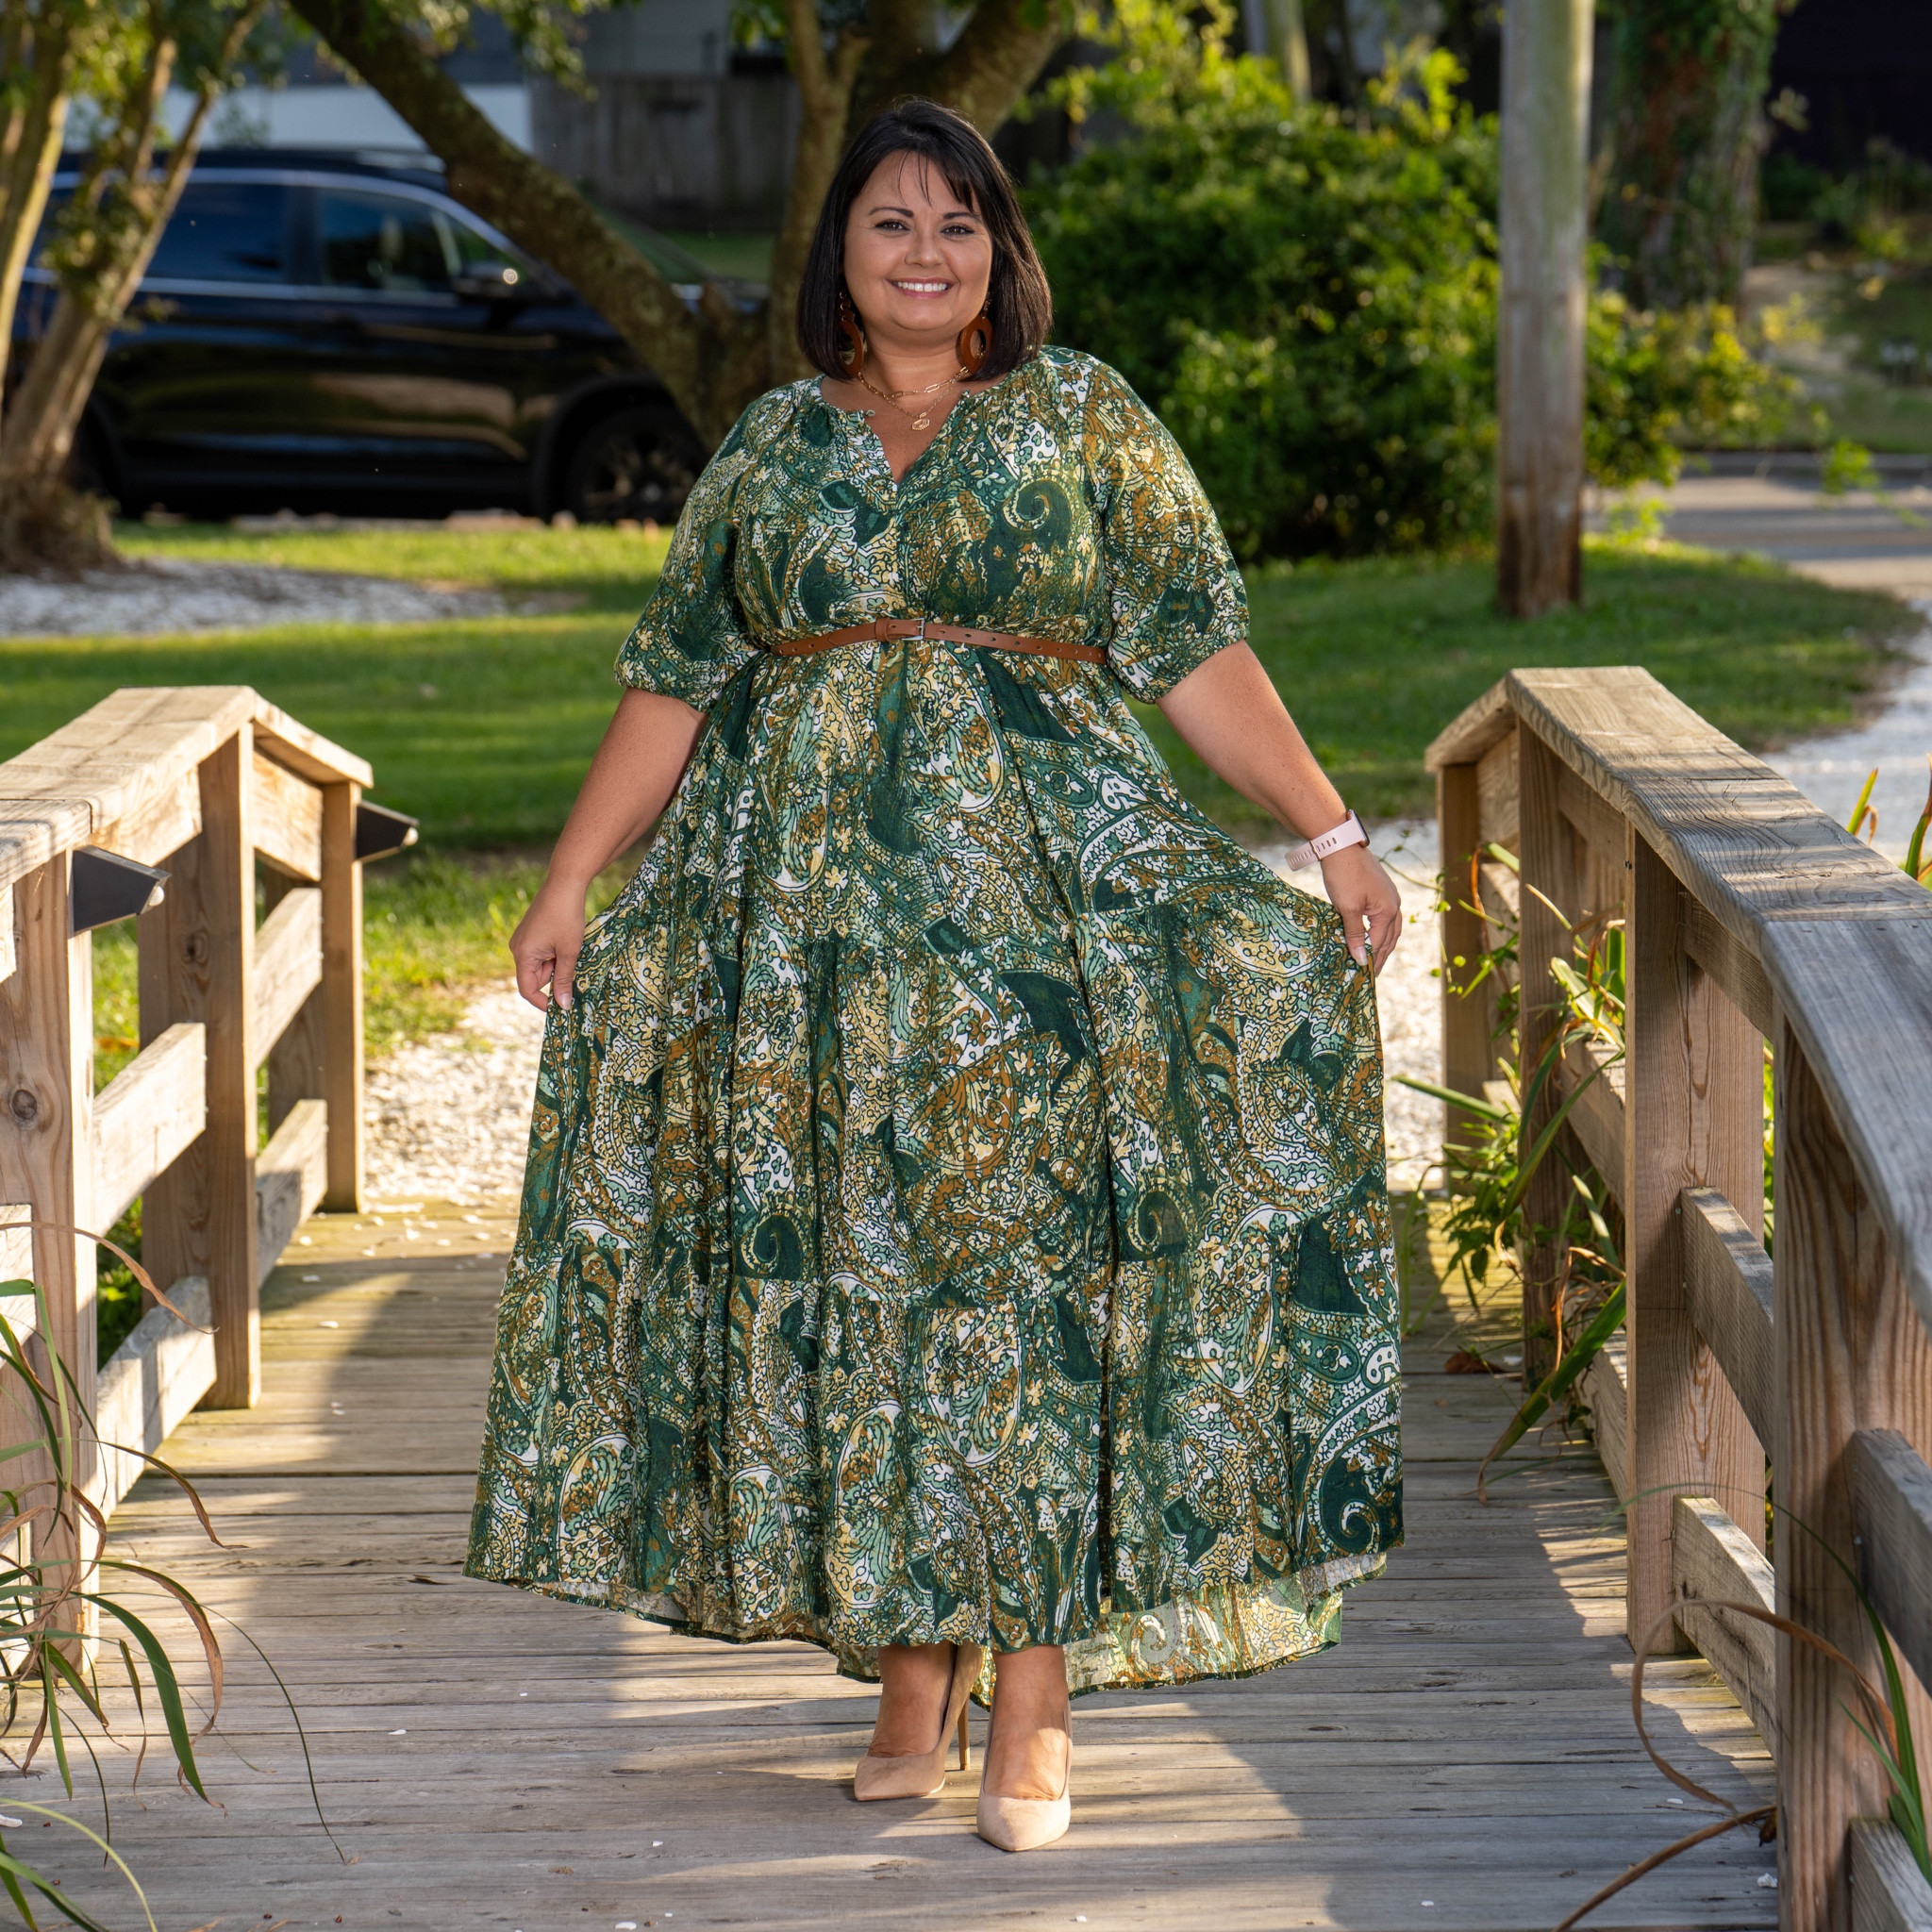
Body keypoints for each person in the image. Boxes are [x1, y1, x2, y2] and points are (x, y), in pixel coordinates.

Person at [466, 97, 1405, 1856]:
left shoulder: (1083, 420)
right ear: (839, 252)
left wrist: (1335, 832)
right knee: (859, 1269)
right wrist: (576, 876)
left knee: (1025, 1283)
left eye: (956, 225)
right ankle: (914, 1672)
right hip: (808, 946)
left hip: (1047, 929)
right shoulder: (765, 446)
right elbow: (675, 678)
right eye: (890, 223)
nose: (922, 253)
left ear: (1000, 253)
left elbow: (1196, 648)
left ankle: (1029, 1699)